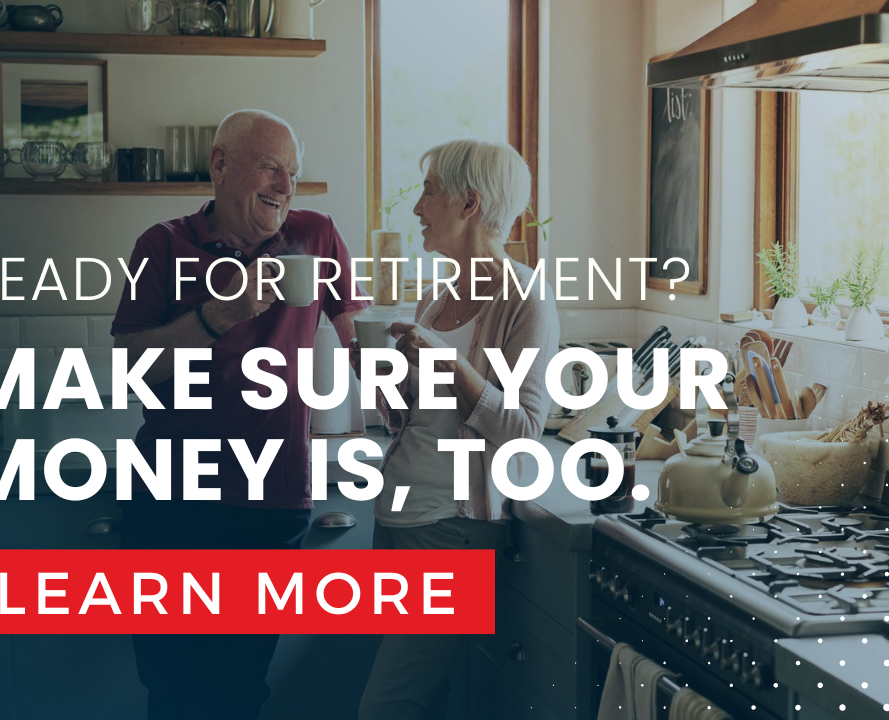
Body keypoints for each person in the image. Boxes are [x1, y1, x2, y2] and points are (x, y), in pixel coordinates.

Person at [110, 109, 370, 720]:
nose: (285, 185)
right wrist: (218, 316)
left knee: (237, 686)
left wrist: (408, 400)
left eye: (294, 173)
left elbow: (359, 341)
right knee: (172, 684)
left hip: (271, 500)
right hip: (171, 497)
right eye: (269, 166)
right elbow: (132, 369)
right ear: (220, 166)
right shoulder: (161, 243)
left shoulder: (316, 234)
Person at [354, 139, 561, 720]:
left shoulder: (525, 299)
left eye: (428, 192)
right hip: (395, 520)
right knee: (424, 699)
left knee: (385, 707)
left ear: (469, 203)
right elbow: (411, 420)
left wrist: (451, 364)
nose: (418, 209)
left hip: (453, 534)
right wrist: (388, 387)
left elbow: (524, 432)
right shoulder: (435, 298)